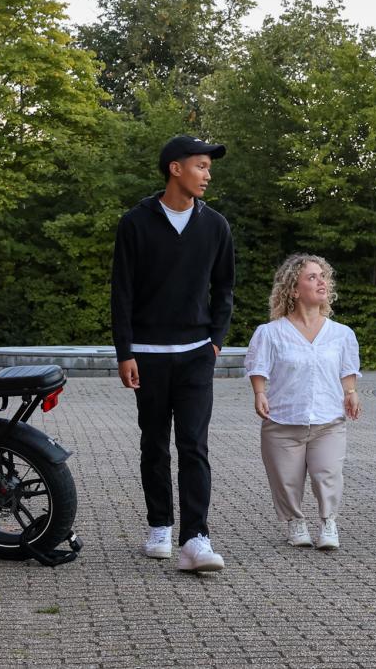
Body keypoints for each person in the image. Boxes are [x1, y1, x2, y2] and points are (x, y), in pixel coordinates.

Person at [111, 135, 235, 572]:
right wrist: (125, 352)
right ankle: (159, 526)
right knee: (154, 445)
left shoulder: (215, 225)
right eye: (201, 165)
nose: (207, 174)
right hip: (147, 355)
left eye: (209, 167)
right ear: (174, 168)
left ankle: (196, 538)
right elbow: (121, 293)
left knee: (194, 446)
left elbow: (224, 289)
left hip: (196, 354)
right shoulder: (135, 223)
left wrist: (215, 341)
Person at [245, 255, 361, 551]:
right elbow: (258, 366)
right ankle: (295, 522)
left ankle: (328, 522)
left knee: (328, 474)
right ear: (294, 290)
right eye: (312, 277)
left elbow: (347, 369)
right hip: (283, 420)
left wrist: (351, 392)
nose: (321, 282)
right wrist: (259, 392)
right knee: (286, 480)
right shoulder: (270, 332)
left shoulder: (341, 334)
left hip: (328, 420)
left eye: (323, 276)